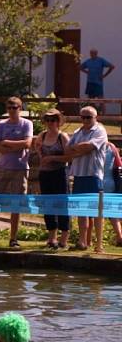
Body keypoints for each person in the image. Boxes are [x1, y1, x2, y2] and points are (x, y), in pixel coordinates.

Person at [0, 97, 33, 248]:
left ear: (20, 108)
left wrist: (7, 143)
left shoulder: (26, 124)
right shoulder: (1, 124)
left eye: (15, 107)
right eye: (9, 107)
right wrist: (12, 146)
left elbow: (27, 143)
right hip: (2, 167)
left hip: (20, 168)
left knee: (16, 204)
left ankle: (13, 238)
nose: (12, 110)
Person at [65, 106, 108, 251]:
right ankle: (82, 241)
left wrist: (78, 149)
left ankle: (99, 243)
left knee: (96, 211)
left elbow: (90, 147)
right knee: (81, 210)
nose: (85, 120)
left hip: (93, 175)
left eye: (88, 117)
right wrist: (80, 149)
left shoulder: (100, 131)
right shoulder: (78, 131)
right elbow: (67, 149)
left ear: (95, 117)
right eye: (82, 117)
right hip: (79, 175)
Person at [34, 109, 71, 249]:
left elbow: (69, 157)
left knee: (62, 204)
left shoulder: (63, 137)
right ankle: (51, 237)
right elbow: (37, 147)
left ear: (58, 121)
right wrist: (41, 156)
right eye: (47, 120)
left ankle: (64, 239)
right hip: (45, 174)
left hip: (59, 173)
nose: (50, 123)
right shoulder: (42, 136)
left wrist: (52, 158)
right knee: (47, 204)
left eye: (53, 120)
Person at [102, 141, 122, 247]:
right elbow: (119, 164)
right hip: (112, 182)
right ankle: (119, 237)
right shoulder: (112, 146)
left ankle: (119, 236)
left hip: (101, 182)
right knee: (114, 211)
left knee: (108, 212)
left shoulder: (97, 146)